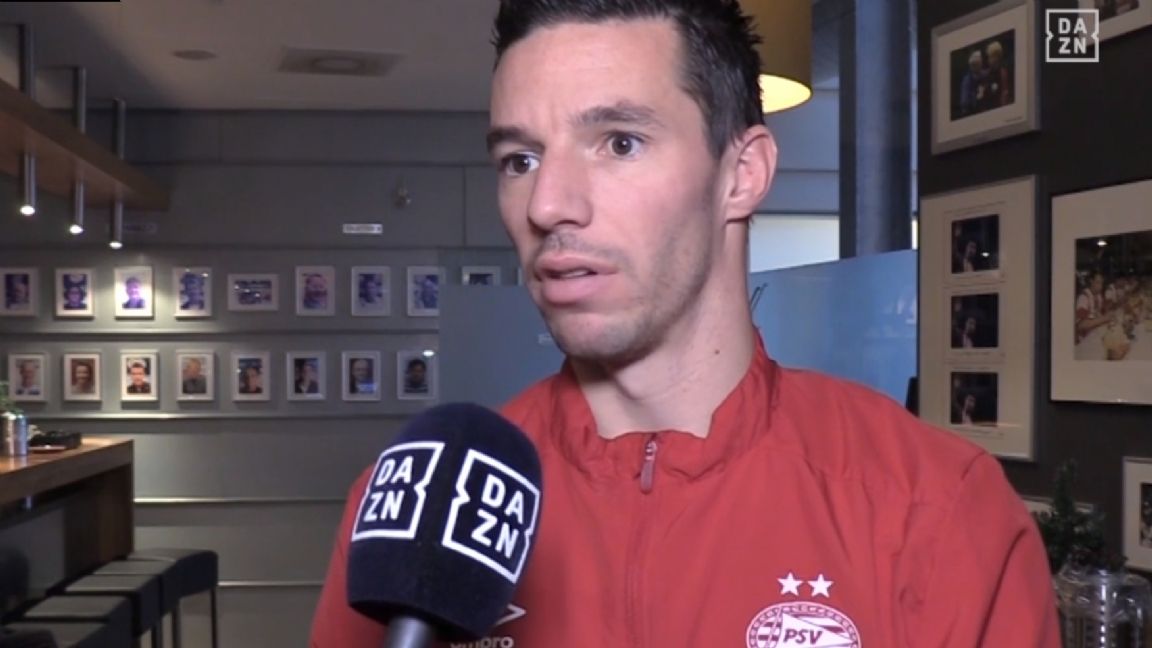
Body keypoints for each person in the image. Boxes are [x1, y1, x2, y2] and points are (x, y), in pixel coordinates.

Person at [311, 2, 1060, 646]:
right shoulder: (408, 512)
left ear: (742, 175)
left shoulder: (936, 510)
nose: (547, 204)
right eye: (520, 159)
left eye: (620, 142)